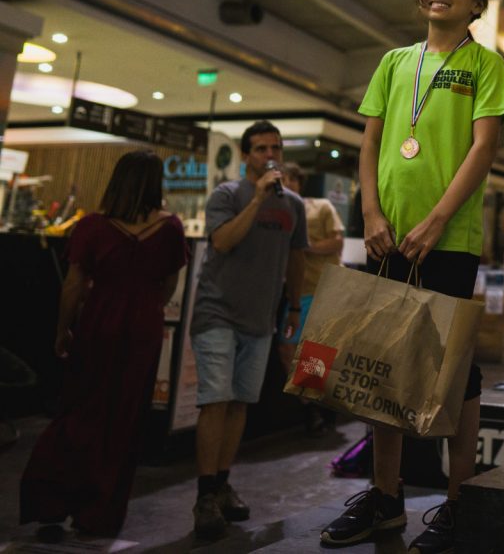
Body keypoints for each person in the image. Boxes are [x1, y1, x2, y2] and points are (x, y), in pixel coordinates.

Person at [320, 0, 504, 550]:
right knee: (381, 363)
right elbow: (372, 143)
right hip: (385, 236)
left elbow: (483, 149)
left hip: (448, 240)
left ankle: (459, 503)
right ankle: (386, 498)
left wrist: (436, 221)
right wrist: (371, 213)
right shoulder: (393, 62)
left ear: (476, 5)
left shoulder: (485, 66)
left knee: (453, 370)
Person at [19, 150, 188, 537]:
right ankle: (98, 513)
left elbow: (73, 285)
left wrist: (62, 331)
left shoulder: (93, 226)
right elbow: (169, 284)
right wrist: (146, 306)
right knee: (123, 419)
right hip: (144, 327)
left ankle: (52, 499)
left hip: (99, 321)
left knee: (79, 410)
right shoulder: (171, 228)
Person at [190, 121, 308, 541]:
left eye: (275, 147)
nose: (270, 155)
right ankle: (204, 495)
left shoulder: (294, 205)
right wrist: (258, 198)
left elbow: (296, 258)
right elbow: (223, 242)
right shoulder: (227, 195)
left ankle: (222, 484)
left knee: (240, 403)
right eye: (260, 149)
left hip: (261, 319)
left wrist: (294, 306)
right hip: (217, 313)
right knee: (215, 401)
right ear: (245, 156)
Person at [276, 163, 344, 436]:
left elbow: (337, 241)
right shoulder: (276, 210)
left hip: (321, 288)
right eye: (283, 181)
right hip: (293, 291)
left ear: (299, 183)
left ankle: (317, 410)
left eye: (291, 180)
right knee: (287, 348)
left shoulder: (321, 207)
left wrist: (305, 247)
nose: (287, 185)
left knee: (316, 351)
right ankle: (311, 405)